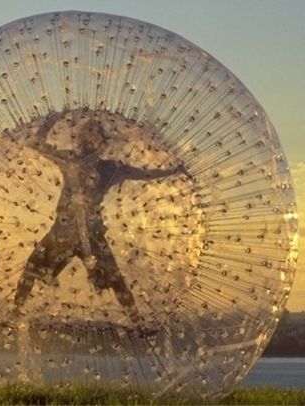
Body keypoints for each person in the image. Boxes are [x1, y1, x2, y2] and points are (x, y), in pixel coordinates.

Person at [14, 111, 192, 323]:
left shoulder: (109, 167)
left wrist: (172, 171)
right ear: (80, 138)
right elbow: (36, 143)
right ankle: (15, 312)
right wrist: (51, 122)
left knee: (115, 279)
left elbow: (144, 174)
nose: (88, 139)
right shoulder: (72, 159)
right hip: (66, 230)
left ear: (100, 141)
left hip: (88, 233)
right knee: (33, 267)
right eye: (86, 133)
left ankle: (137, 322)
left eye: (94, 134)